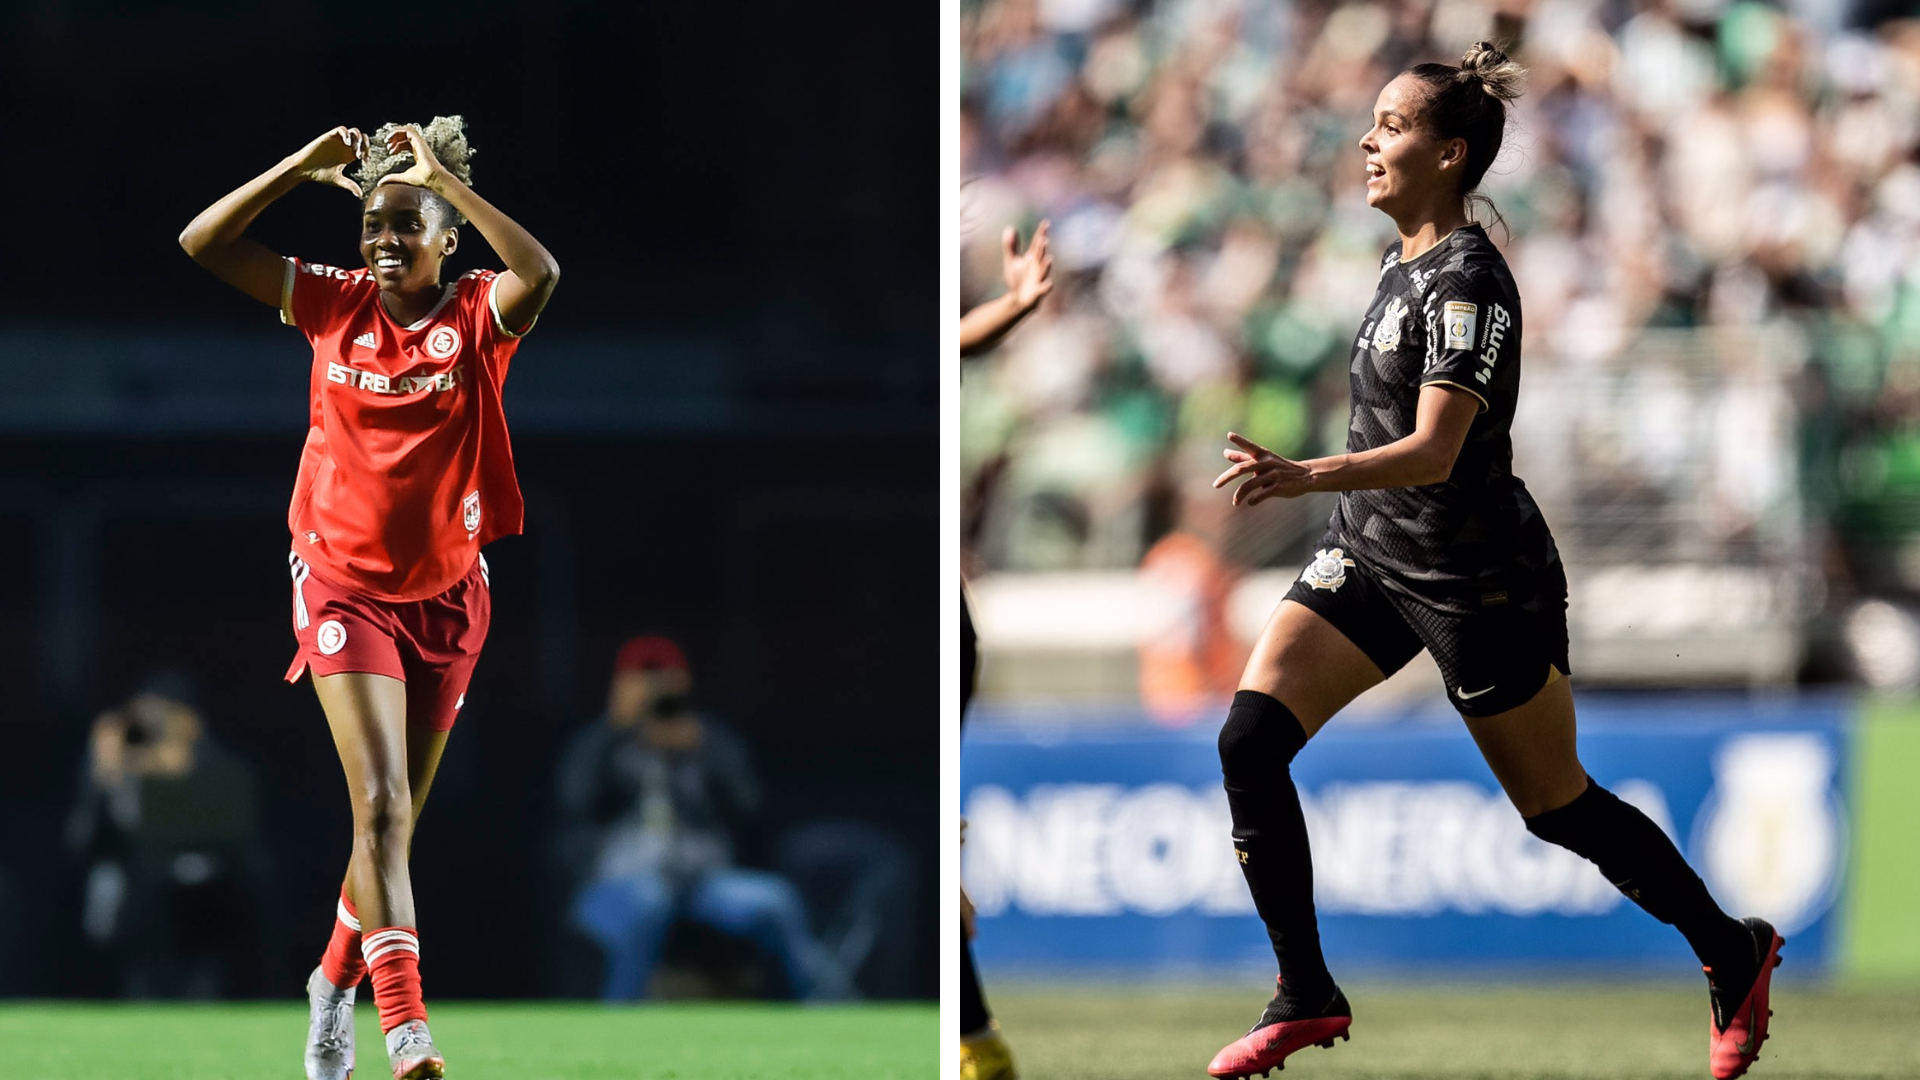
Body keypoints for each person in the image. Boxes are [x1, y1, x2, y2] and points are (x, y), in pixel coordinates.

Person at [1203, 45, 1781, 1080]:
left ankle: (1730, 949)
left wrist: (1307, 475)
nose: (1369, 141)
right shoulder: (1396, 267)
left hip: (1477, 581)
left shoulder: (1471, 281)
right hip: (1374, 556)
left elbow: (1436, 449)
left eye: (1392, 125)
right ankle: (1305, 993)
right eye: (1372, 122)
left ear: (1450, 151)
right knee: (1248, 740)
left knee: (1557, 807)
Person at [178, 117, 559, 1080]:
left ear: (445, 238)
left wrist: (446, 180)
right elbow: (204, 242)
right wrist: (299, 169)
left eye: (406, 225)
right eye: (373, 226)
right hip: (342, 581)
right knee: (381, 807)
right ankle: (409, 1037)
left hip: (448, 594)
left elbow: (543, 272)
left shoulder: (477, 315)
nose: (383, 243)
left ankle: (330, 984)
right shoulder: (330, 303)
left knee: (388, 830)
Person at [558, 636, 833, 1000]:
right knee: (649, 902)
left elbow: (749, 807)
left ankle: (816, 1015)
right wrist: (616, 728)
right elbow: (574, 802)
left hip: (704, 882)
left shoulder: (707, 740)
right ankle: (619, 1024)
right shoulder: (603, 742)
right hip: (622, 879)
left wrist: (702, 751)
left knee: (775, 902)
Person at [958, 219, 1051, 1080]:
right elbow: (956, 342)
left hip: (949, 620)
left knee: (943, 839)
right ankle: (978, 1041)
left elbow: (957, 343)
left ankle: (977, 1041)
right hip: (948, 616)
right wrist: (1011, 308)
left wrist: (1013, 309)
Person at [66, 671, 266, 998]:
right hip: (128, 864)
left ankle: (203, 989)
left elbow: (224, 811)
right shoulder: (116, 738)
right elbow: (97, 820)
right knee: (121, 904)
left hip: (194, 870)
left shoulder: (198, 743)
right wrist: (117, 763)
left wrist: (182, 750)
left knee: (210, 906)